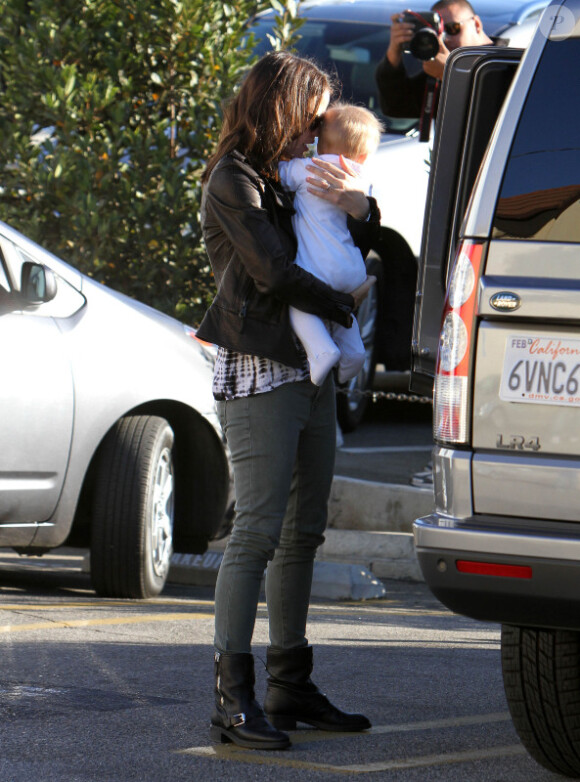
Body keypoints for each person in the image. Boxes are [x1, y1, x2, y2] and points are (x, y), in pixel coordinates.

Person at [196, 51, 380, 751]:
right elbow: (273, 271)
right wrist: (343, 303)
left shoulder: (293, 172)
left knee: (304, 532)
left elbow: (348, 220)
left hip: (310, 366)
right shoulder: (234, 180)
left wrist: (363, 206)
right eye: (312, 115)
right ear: (283, 107)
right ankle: (232, 700)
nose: (319, 129)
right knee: (259, 531)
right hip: (263, 366)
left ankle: (289, 682)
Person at [279, 103, 383, 387]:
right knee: (343, 312)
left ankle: (321, 350)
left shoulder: (308, 168)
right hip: (352, 267)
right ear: (363, 154)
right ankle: (354, 352)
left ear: (320, 143)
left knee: (300, 304)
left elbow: (280, 174)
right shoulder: (361, 178)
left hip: (319, 266)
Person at [375, 1, 493, 134]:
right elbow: (395, 106)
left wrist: (451, 75)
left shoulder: (512, 62)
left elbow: (497, 109)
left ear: (477, 24)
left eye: (452, 28)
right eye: (438, 31)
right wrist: (394, 51)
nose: (445, 38)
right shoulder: (440, 68)